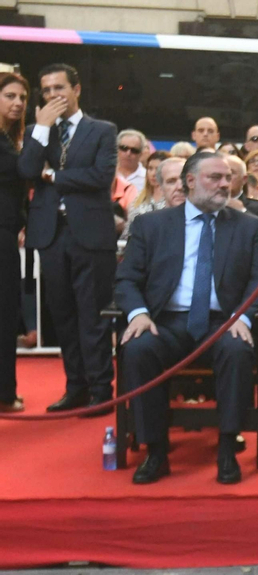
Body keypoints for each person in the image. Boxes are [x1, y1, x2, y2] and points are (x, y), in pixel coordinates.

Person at [114, 152, 258, 485]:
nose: (225, 184)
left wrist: (242, 317)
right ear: (190, 181)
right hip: (165, 321)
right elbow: (126, 279)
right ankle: (156, 451)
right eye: (215, 177)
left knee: (237, 350)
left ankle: (227, 448)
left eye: (227, 177)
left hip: (223, 321)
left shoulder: (249, 227)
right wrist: (138, 314)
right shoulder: (152, 225)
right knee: (138, 349)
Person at [19, 63, 118, 412]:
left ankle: (101, 390)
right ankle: (75, 386)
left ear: (76, 90)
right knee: (62, 316)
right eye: (46, 90)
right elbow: (27, 170)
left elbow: (100, 176)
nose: (52, 95)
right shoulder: (37, 131)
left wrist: (54, 177)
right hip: (50, 235)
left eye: (58, 88)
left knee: (93, 316)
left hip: (90, 235)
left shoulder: (102, 130)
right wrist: (42, 128)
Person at [0, 72, 27, 412]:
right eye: (10, 96)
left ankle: (5, 390)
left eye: (22, 97)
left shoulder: (10, 139)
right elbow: (21, 170)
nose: (18, 103)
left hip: (6, 233)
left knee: (6, 314)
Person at [113, 128, 148, 211]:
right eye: (124, 148)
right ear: (116, 149)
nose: (128, 153)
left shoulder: (147, 178)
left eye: (134, 150)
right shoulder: (107, 174)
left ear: (141, 154)